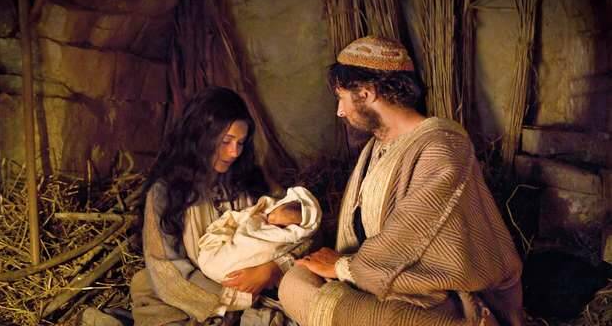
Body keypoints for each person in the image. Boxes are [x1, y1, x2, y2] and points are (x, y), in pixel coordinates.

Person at [278, 36, 524, 326]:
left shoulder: (441, 147)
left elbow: (412, 238)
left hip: (433, 295)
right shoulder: (376, 146)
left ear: (367, 93)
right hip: (376, 279)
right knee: (296, 281)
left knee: (396, 318)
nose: (340, 111)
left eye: (342, 98)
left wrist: (343, 267)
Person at [130, 86, 298, 326]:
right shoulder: (166, 192)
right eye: (226, 141)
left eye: (240, 143)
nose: (234, 152)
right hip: (195, 294)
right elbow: (166, 269)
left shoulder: (253, 181)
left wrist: (270, 269)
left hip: (260, 287)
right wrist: (230, 301)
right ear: (200, 136)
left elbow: (302, 230)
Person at [197, 186, 321, 315]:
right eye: (272, 215)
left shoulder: (292, 234)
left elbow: (304, 244)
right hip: (217, 266)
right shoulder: (261, 213)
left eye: (280, 226)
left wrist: (271, 269)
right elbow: (242, 220)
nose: (271, 221)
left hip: (257, 279)